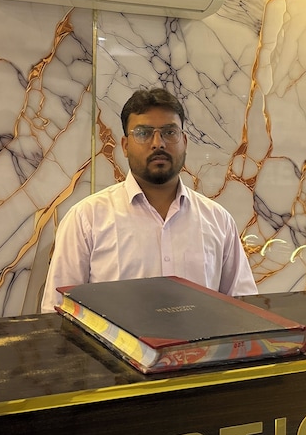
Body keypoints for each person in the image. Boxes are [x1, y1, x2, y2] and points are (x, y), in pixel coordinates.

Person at [40, 88, 257, 312]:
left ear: (184, 142)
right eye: (143, 133)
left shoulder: (218, 221)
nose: (158, 143)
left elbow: (245, 310)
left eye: (169, 132)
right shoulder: (86, 219)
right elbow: (57, 312)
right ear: (125, 146)